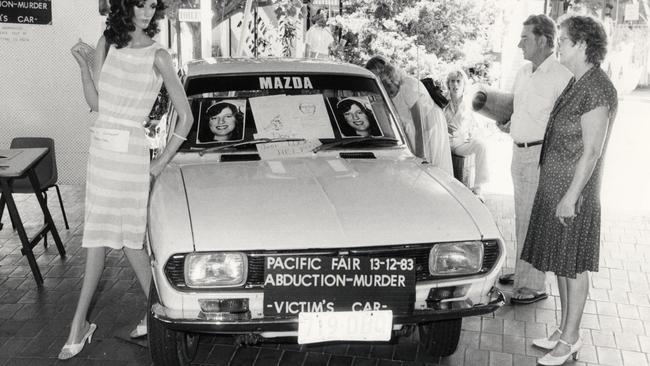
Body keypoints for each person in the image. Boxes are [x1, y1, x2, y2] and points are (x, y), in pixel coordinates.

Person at [63, 0, 192, 360]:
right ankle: (97, 321)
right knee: (100, 237)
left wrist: (158, 164)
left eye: (153, 5)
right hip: (102, 149)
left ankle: (83, 323)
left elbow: (186, 118)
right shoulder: (107, 42)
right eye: (141, 4)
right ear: (126, 6)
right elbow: (97, 102)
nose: (148, 11)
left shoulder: (159, 56)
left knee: (130, 240)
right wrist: (84, 67)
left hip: (133, 154)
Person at [523, 15, 617, 365]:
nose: (557, 44)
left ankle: (572, 339)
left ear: (581, 44)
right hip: (559, 190)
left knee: (573, 268)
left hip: (572, 195)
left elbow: (592, 150)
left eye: (562, 40)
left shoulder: (597, 88)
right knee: (562, 264)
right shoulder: (578, 81)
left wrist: (569, 197)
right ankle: (564, 329)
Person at [497, 14, 573, 305]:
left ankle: (533, 286)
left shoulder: (561, 76)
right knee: (522, 218)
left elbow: (566, 126)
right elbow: (521, 111)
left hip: (540, 155)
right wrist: (508, 124)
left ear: (543, 40)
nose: (519, 44)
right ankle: (523, 274)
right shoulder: (524, 72)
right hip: (518, 153)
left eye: (525, 38)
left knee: (533, 221)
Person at [365, 55, 453, 176]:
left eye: (376, 75)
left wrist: (419, 155)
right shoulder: (386, 92)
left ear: (384, 71)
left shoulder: (407, 86)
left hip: (430, 125)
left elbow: (419, 125)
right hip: (413, 129)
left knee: (432, 168)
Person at [443, 69, 489, 201]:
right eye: (452, 81)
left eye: (458, 81)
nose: (455, 85)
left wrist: (471, 134)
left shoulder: (469, 103)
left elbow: (479, 126)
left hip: (460, 144)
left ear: (463, 85)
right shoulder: (442, 101)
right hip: (443, 144)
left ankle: (478, 188)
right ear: (448, 84)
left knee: (481, 145)